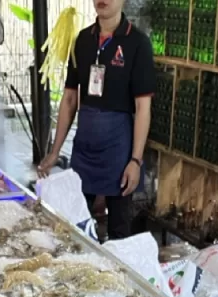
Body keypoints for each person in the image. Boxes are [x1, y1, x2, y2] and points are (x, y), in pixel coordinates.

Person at [38, 0, 156, 240]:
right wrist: (54, 151)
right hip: (85, 146)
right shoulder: (82, 40)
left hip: (119, 149)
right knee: (72, 224)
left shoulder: (137, 43)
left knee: (119, 231)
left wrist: (135, 160)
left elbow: (143, 107)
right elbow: (70, 99)